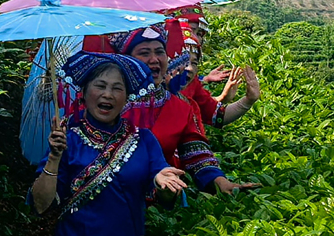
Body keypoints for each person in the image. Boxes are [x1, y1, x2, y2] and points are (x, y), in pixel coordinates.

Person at [30, 52, 186, 236]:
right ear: (84, 92)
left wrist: (163, 182)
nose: (108, 95)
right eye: (100, 86)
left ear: (127, 98)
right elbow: (40, 205)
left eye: (117, 88)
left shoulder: (143, 140)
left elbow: (165, 194)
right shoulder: (67, 141)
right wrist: (54, 158)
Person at [106, 27, 259, 194]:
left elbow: (196, 153)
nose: (154, 59)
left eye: (160, 52)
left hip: (160, 202)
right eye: (144, 53)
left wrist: (220, 181)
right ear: (125, 60)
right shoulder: (105, 101)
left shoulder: (180, 106)